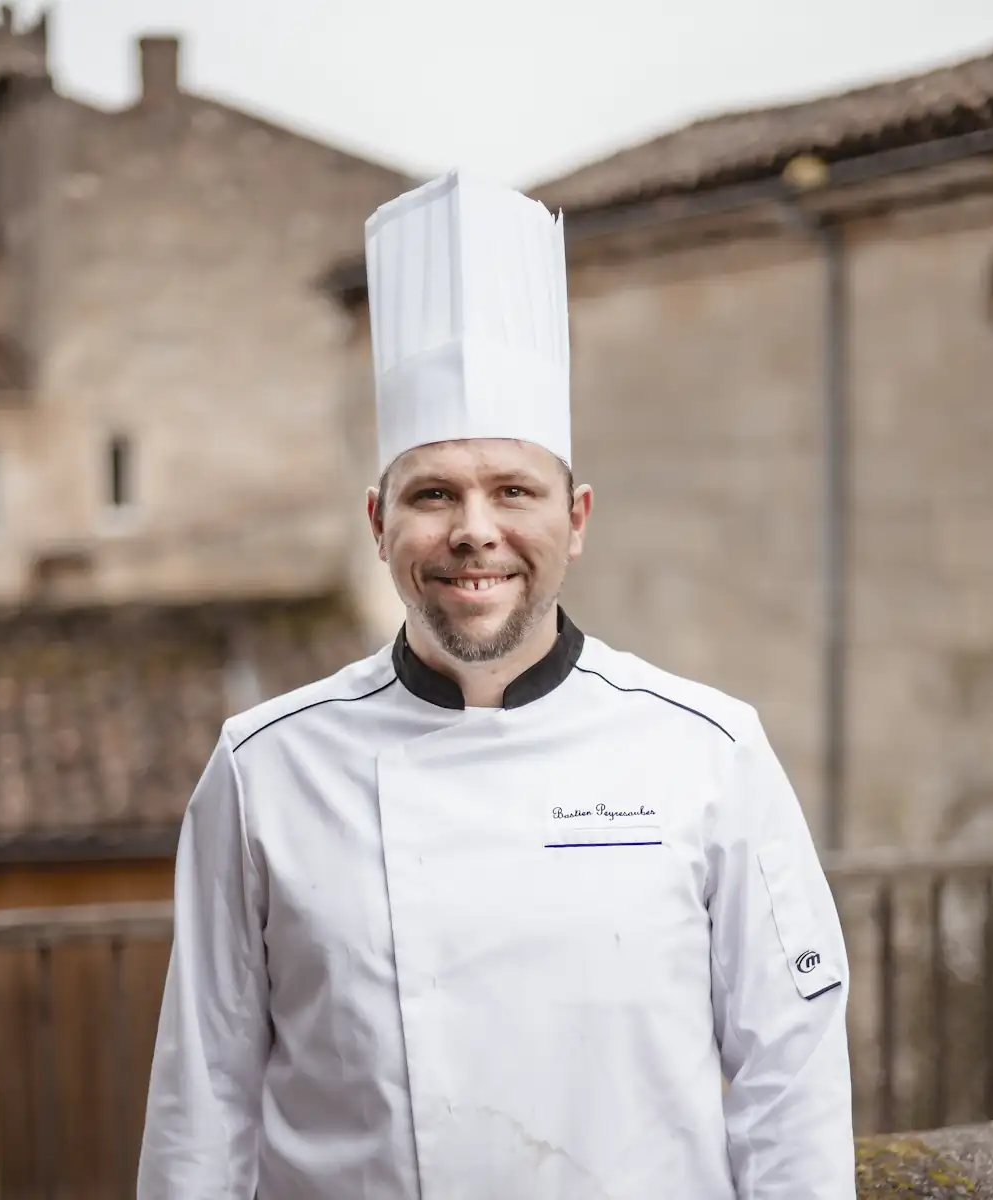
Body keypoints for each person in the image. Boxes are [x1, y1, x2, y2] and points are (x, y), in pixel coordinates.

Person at [137, 169, 855, 1199]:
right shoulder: (263, 770)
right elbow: (203, 1103)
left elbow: (789, 1086)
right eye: (435, 494)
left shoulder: (711, 752)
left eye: (513, 490)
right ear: (379, 523)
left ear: (577, 519)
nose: (475, 529)